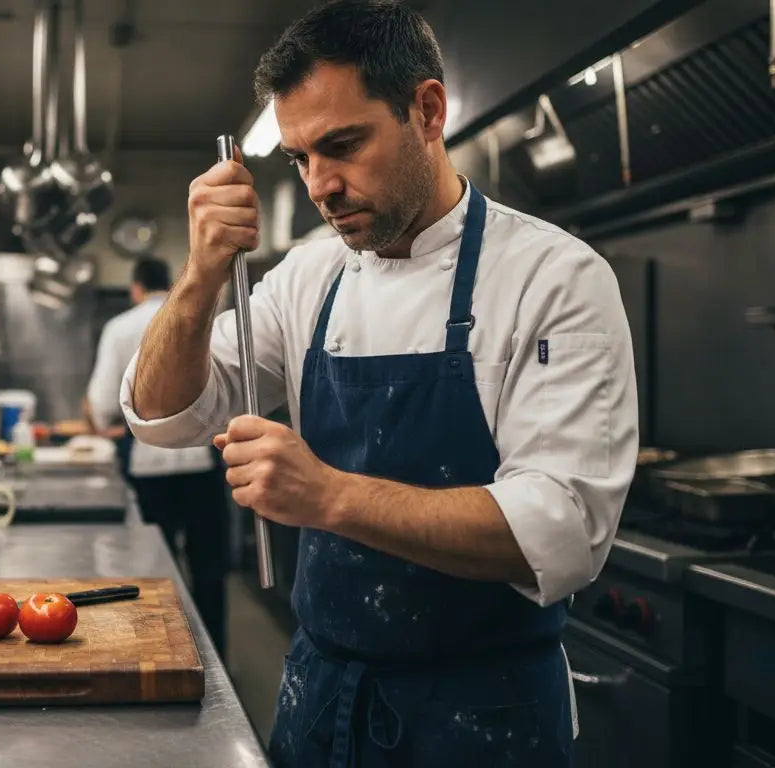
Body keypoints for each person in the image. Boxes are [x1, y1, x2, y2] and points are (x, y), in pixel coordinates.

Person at [123, 2, 638, 766]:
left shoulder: (551, 278)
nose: (322, 185)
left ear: (427, 111)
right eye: (298, 158)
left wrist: (328, 496)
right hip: (321, 701)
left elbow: (561, 527)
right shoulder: (311, 275)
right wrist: (200, 277)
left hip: (484, 716)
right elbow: (164, 415)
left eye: (343, 145)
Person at [85, 257, 230, 656]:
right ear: (169, 284)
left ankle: (159, 655)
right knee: (208, 571)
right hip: (202, 461)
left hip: (146, 469)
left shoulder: (118, 328)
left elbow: (100, 405)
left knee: (152, 572)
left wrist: (108, 424)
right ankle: (214, 659)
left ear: (135, 288)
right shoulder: (202, 319)